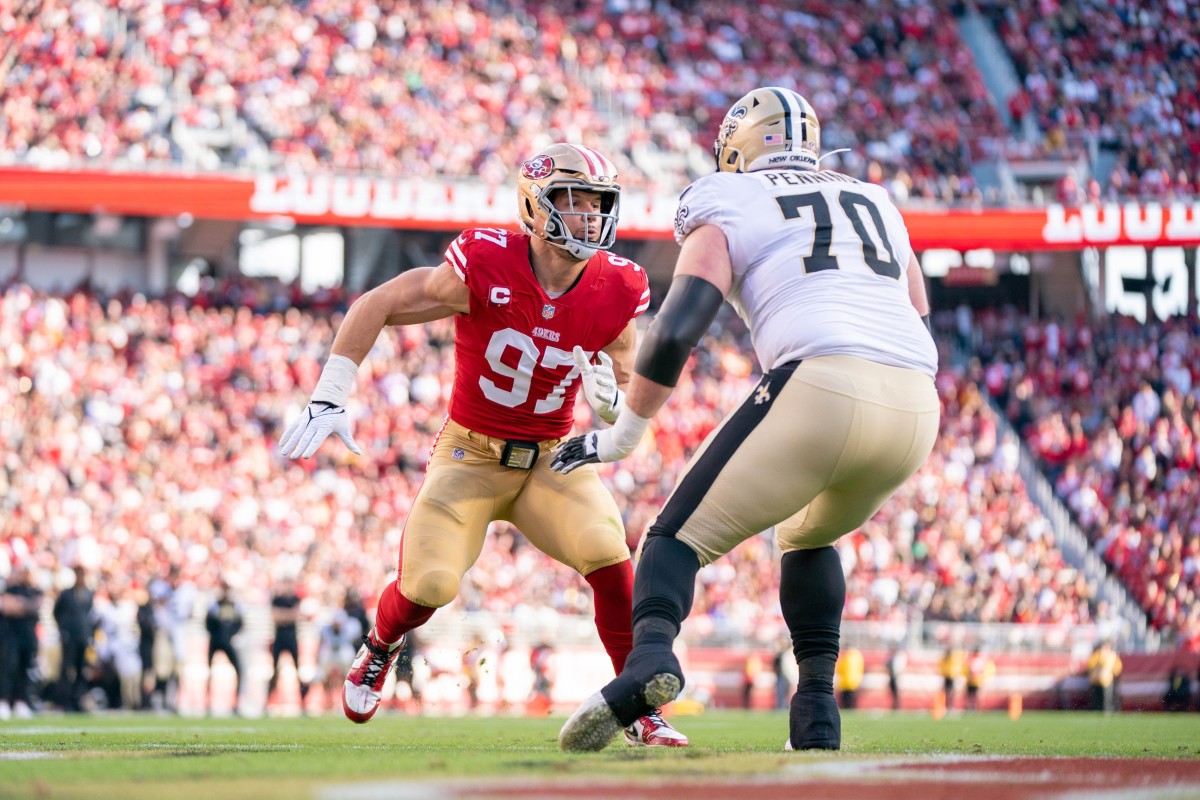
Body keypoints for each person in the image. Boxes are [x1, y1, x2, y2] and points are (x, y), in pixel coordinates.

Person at [553, 87, 939, 752]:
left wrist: (625, 433)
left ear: (738, 146)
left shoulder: (727, 196)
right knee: (808, 533)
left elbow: (677, 328)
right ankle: (816, 708)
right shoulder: (874, 199)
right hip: (915, 405)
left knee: (672, 540)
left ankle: (650, 660)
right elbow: (917, 310)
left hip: (822, 383)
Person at [279, 142, 687, 747]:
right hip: (471, 453)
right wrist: (331, 391)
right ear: (534, 205)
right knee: (432, 585)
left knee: (608, 553)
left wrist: (612, 410)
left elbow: (627, 383)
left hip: (552, 458)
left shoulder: (617, 285)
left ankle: (638, 706)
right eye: (572, 202)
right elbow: (380, 303)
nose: (587, 216)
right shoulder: (485, 260)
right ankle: (381, 643)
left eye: (596, 203)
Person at [0, 564, 44, 720]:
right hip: (11, 637)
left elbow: (36, 606)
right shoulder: (11, 589)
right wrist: (23, 604)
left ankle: (21, 702)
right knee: (8, 668)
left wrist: (19, 604)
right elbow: (6, 606)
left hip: (28, 637)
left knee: (24, 670)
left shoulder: (36, 591)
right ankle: (4, 701)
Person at [53, 565, 93, 712]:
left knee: (81, 670)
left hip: (83, 638)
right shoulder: (66, 594)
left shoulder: (88, 594)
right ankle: (65, 701)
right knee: (67, 670)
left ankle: (78, 701)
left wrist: (89, 634)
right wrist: (64, 629)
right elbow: (56, 612)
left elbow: (89, 616)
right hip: (70, 638)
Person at [266, 576, 309, 711]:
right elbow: (277, 617)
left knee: (298, 671)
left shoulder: (295, 599)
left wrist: (284, 615)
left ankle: (303, 704)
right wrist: (289, 615)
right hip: (279, 639)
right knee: (274, 671)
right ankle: (268, 703)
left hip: (291, 639)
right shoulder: (276, 599)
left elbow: (292, 616)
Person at [205, 581, 244, 714]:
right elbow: (208, 623)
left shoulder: (234, 606)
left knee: (239, 671)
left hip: (228, 642)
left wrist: (230, 636)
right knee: (209, 672)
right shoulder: (214, 605)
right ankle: (208, 703)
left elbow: (240, 623)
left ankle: (236, 703)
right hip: (216, 641)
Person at [1087, 640, 1122, 713]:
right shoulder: (1097, 654)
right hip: (1096, 681)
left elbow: (1117, 668)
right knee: (1097, 699)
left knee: (1107, 699)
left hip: (1107, 681)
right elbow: (1091, 665)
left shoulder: (1112, 655)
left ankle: (1108, 711)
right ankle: (1098, 711)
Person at [886, 646, 907, 711]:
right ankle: (894, 706)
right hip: (893, 678)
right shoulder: (892, 658)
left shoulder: (898, 658)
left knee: (897, 694)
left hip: (896, 678)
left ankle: (897, 707)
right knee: (893, 693)